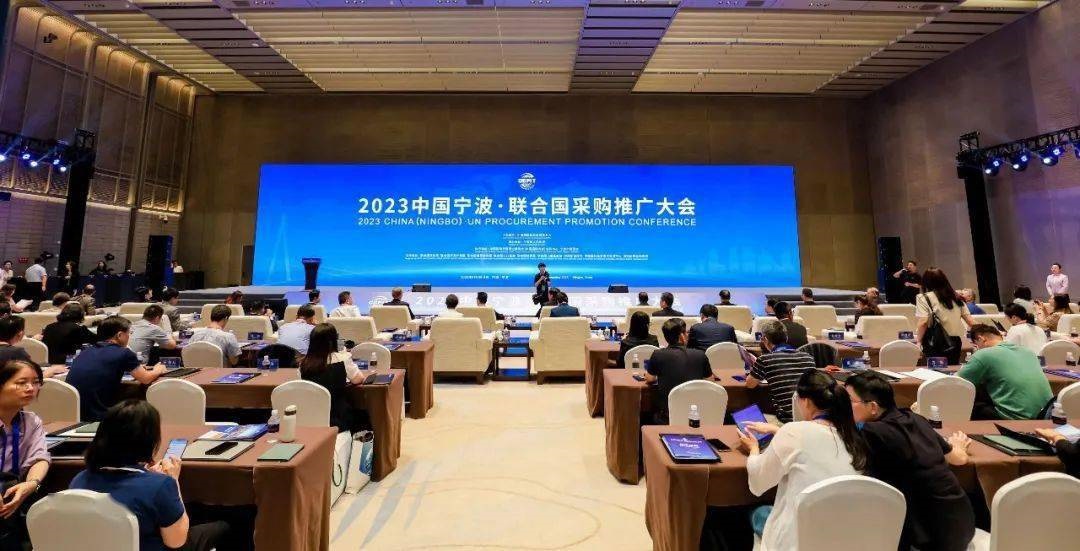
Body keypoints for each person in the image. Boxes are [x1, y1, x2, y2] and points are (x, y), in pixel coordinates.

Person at [70, 400, 229, 551]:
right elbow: (177, 541)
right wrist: (172, 480)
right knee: (228, 524)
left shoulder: (79, 480)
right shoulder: (160, 486)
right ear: (149, 441)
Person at [845, 371, 975, 551]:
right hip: (962, 526)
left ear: (873, 407)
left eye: (849, 401)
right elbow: (959, 459)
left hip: (925, 539)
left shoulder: (870, 431)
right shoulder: (917, 419)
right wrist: (958, 445)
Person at [738, 370, 866, 551]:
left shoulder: (793, 432)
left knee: (756, 512)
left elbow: (758, 483)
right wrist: (777, 431)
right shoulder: (854, 437)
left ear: (805, 401)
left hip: (797, 540)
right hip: (843, 536)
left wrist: (753, 449)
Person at [66, 317, 166, 421]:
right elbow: (145, 378)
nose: (129, 336)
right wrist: (158, 369)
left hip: (74, 414)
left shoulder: (86, 351)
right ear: (120, 335)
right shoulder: (124, 353)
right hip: (99, 415)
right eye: (129, 333)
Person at [0, 359, 51, 549]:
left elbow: (40, 457)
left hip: (11, 494)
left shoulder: (30, 421)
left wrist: (32, 483)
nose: (31, 388)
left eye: (36, 382)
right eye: (21, 383)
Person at [958, 324, 1053, 420]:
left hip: (1015, 418)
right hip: (1045, 414)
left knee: (968, 398)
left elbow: (957, 382)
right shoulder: (1028, 352)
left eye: (976, 345)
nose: (977, 349)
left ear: (981, 339)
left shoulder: (983, 354)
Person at [746, 319, 816, 423]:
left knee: (746, 417)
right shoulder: (808, 358)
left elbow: (750, 384)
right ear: (786, 337)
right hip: (811, 419)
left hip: (786, 421)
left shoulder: (765, 359)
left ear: (765, 339)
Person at [643, 318, 711, 424]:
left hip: (668, 417)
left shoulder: (658, 354)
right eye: (686, 332)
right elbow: (710, 381)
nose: (688, 335)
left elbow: (650, 379)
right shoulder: (700, 355)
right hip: (697, 416)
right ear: (681, 336)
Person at [299, 324, 365, 433]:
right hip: (338, 419)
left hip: (312, 418)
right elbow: (358, 379)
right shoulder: (342, 358)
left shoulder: (303, 364)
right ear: (333, 341)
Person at [915, 268, 974, 365]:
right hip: (955, 342)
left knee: (936, 371)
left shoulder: (923, 298)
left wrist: (918, 341)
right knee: (952, 369)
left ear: (926, 282)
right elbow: (971, 322)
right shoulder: (956, 298)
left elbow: (923, 322)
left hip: (933, 341)